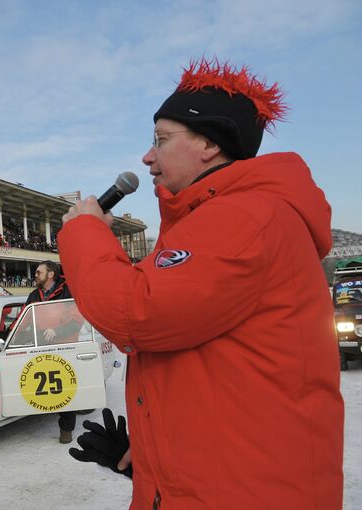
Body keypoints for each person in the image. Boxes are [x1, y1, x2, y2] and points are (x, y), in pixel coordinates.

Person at [59, 59, 343, 509]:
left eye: (161, 140)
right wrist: (150, 459)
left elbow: (136, 312)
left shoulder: (245, 217)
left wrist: (84, 233)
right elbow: (216, 374)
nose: (147, 157)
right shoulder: (218, 221)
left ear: (209, 143)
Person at [24, 260, 79, 444]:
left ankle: (66, 429)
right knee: (42, 386)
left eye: (39, 272)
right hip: (40, 347)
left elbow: (77, 320)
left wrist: (57, 331)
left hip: (64, 348)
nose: (35, 274)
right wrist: (8, 334)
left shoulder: (67, 291)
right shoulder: (34, 295)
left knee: (64, 390)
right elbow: (23, 320)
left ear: (50, 275)